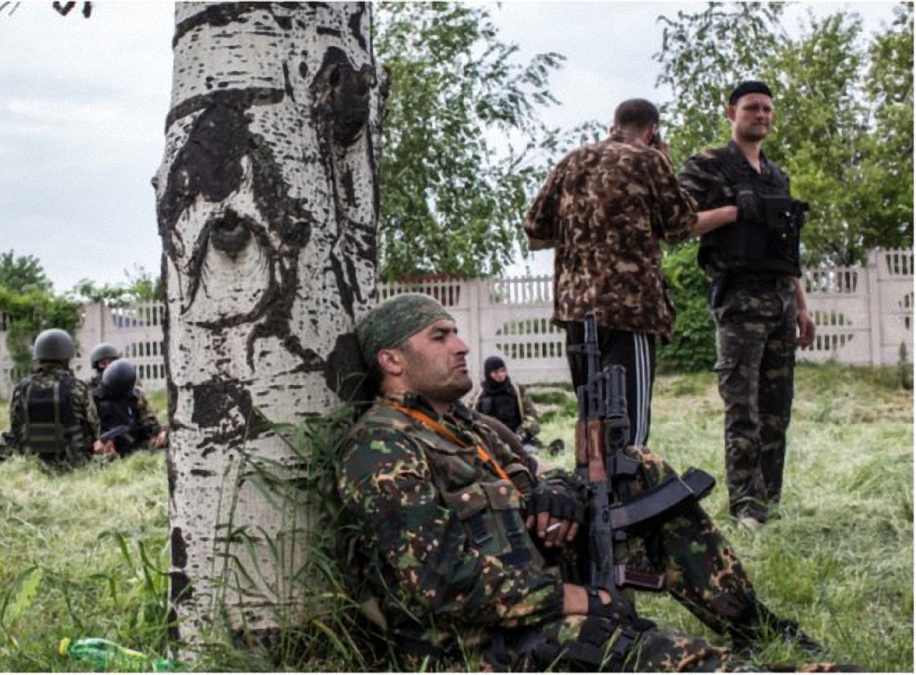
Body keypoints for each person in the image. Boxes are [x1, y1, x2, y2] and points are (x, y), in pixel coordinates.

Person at [337, 293, 832, 671]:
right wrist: (580, 599)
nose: (462, 346)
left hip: (537, 588)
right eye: (440, 336)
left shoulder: (472, 427)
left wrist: (560, 495)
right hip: (480, 641)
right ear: (392, 360)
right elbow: (439, 583)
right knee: (655, 654)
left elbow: (539, 478)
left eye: (456, 333)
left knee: (638, 470)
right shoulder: (382, 447)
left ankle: (749, 622)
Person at [525, 99, 728, 447]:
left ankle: (593, 494)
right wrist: (666, 165)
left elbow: (534, 225)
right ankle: (629, 494)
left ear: (613, 124)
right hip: (629, 310)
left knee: (592, 421)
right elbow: (680, 224)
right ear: (651, 130)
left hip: (575, 311)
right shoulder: (649, 160)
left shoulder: (572, 161)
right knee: (627, 429)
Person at [678, 81, 816, 528]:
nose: (762, 116)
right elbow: (678, 223)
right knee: (743, 408)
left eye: (768, 109)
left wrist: (801, 304)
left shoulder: (777, 176)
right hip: (739, 299)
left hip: (778, 298)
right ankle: (746, 508)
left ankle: (769, 501)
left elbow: (787, 247)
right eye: (753, 108)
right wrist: (735, 211)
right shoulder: (709, 166)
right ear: (730, 113)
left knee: (777, 408)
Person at [8, 328, 99, 466]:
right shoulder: (77, 387)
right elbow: (94, 426)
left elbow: (15, 426)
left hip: (32, 463)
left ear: (38, 357)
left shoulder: (21, 388)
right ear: (66, 357)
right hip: (73, 462)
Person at [473, 355, 560, 455]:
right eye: (496, 373)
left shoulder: (517, 392)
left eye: (503, 371)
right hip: (490, 442)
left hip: (517, 440)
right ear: (488, 374)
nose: (501, 375)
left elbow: (532, 419)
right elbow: (470, 418)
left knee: (529, 453)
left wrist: (520, 435)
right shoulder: (478, 396)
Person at [91, 359, 167, 457]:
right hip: (107, 446)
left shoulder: (135, 397)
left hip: (135, 443)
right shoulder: (95, 398)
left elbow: (149, 421)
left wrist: (158, 433)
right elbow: (91, 428)